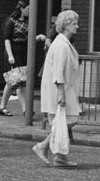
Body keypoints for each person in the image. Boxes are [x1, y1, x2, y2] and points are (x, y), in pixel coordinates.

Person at [32, 10, 81, 167]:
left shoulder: (62, 43)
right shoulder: (61, 45)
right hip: (58, 91)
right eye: (74, 24)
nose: (77, 26)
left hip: (62, 90)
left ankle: (59, 157)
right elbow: (58, 71)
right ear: (66, 25)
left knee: (60, 122)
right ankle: (43, 147)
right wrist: (61, 93)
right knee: (70, 119)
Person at [0, 0, 46, 117]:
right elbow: (7, 40)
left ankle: (2, 107)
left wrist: (38, 37)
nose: (30, 11)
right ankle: (26, 109)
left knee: (12, 81)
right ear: (21, 9)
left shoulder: (27, 22)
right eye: (28, 9)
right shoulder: (11, 22)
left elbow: (27, 38)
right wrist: (10, 55)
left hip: (24, 52)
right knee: (19, 81)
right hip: (14, 52)